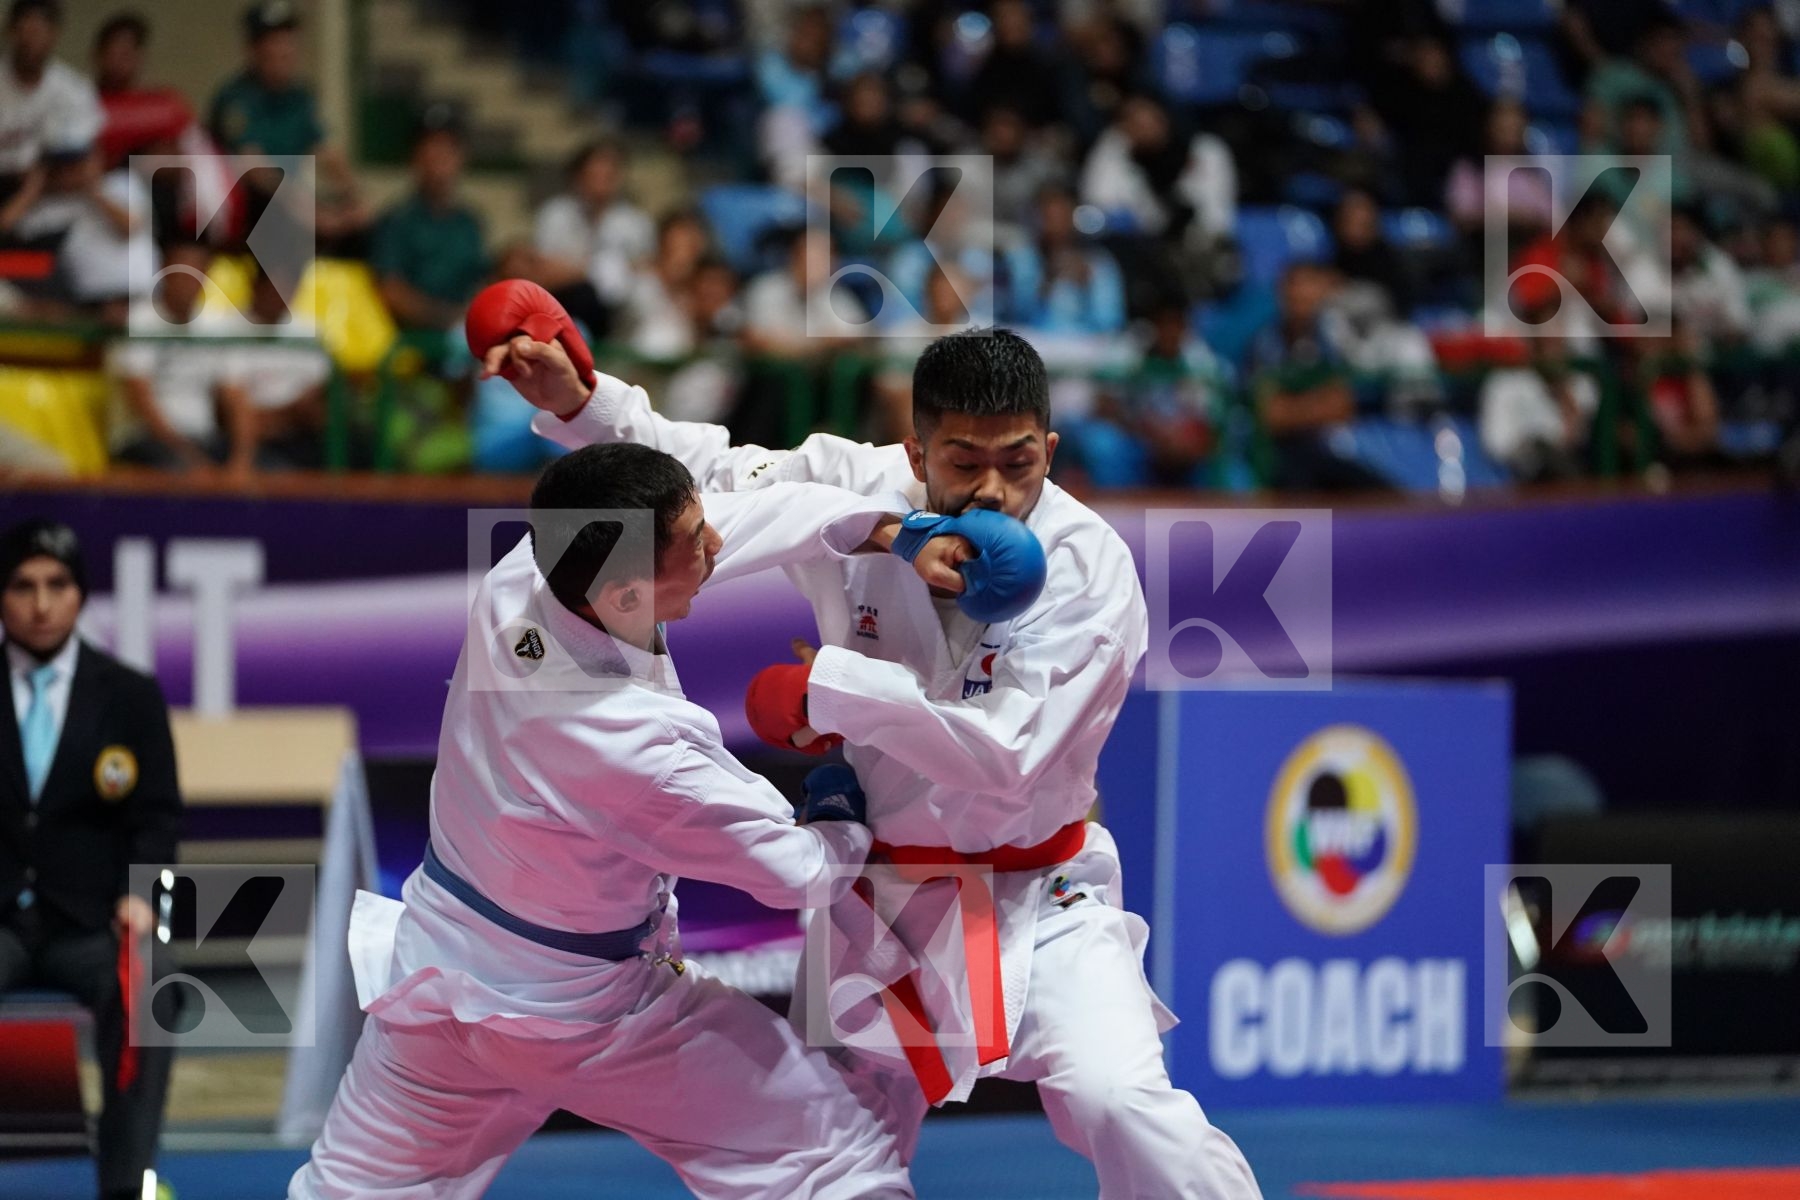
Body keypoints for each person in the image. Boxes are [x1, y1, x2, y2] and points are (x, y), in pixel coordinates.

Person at [479, 284, 1264, 1199]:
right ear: (914, 448)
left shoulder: (1091, 572)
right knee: (826, 1157)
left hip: (1036, 898)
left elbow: (1008, 757)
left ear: (1049, 450)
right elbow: (706, 471)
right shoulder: (856, 490)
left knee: (1118, 1101)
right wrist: (579, 403)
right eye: (963, 460)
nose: (992, 490)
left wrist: (831, 691)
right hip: (878, 908)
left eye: (1019, 462)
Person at [290, 396, 1022, 1195]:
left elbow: (756, 517)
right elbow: (798, 873)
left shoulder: (532, 577)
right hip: (586, 1012)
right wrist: (838, 811)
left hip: (439, 983)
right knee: (832, 1158)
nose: (716, 542)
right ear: (630, 591)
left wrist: (890, 530)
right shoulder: (631, 745)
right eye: (694, 544)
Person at [0, 519, 180, 1200]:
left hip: (91, 923)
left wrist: (141, 895)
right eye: (23, 586)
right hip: (2, 924)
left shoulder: (129, 696)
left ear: (80, 596)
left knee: (151, 982)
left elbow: (158, 817)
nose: (41, 603)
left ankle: (128, 1183)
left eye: (58, 585)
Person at [0, 0, 103, 237]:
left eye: (40, 31)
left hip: (47, 190)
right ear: (11, 31)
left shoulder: (72, 88)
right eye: (26, 31)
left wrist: (30, 192)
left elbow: (87, 165)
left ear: (54, 34)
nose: (32, 41)